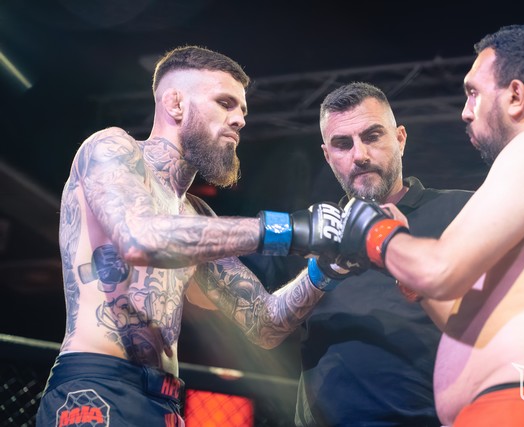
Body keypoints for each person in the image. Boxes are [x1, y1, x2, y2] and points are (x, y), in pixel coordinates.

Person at [339, 25, 524, 426]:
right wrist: (406, 268)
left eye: (473, 93)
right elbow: (465, 313)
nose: (465, 111)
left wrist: (371, 231)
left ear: (515, 96)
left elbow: (440, 269)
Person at [35, 45, 347, 426]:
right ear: (176, 103)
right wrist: (290, 229)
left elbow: (263, 322)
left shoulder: (195, 215)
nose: (239, 120)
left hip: (165, 404)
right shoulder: (111, 149)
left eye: (243, 110)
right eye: (225, 103)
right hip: (96, 389)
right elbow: (140, 238)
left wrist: (325, 270)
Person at [291, 82, 474, 426]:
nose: (359, 154)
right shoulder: (311, 236)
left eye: (372, 136)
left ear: (400, 139)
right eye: (343, 144)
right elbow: (258, 323)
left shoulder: (463, 210)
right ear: (328, 156)